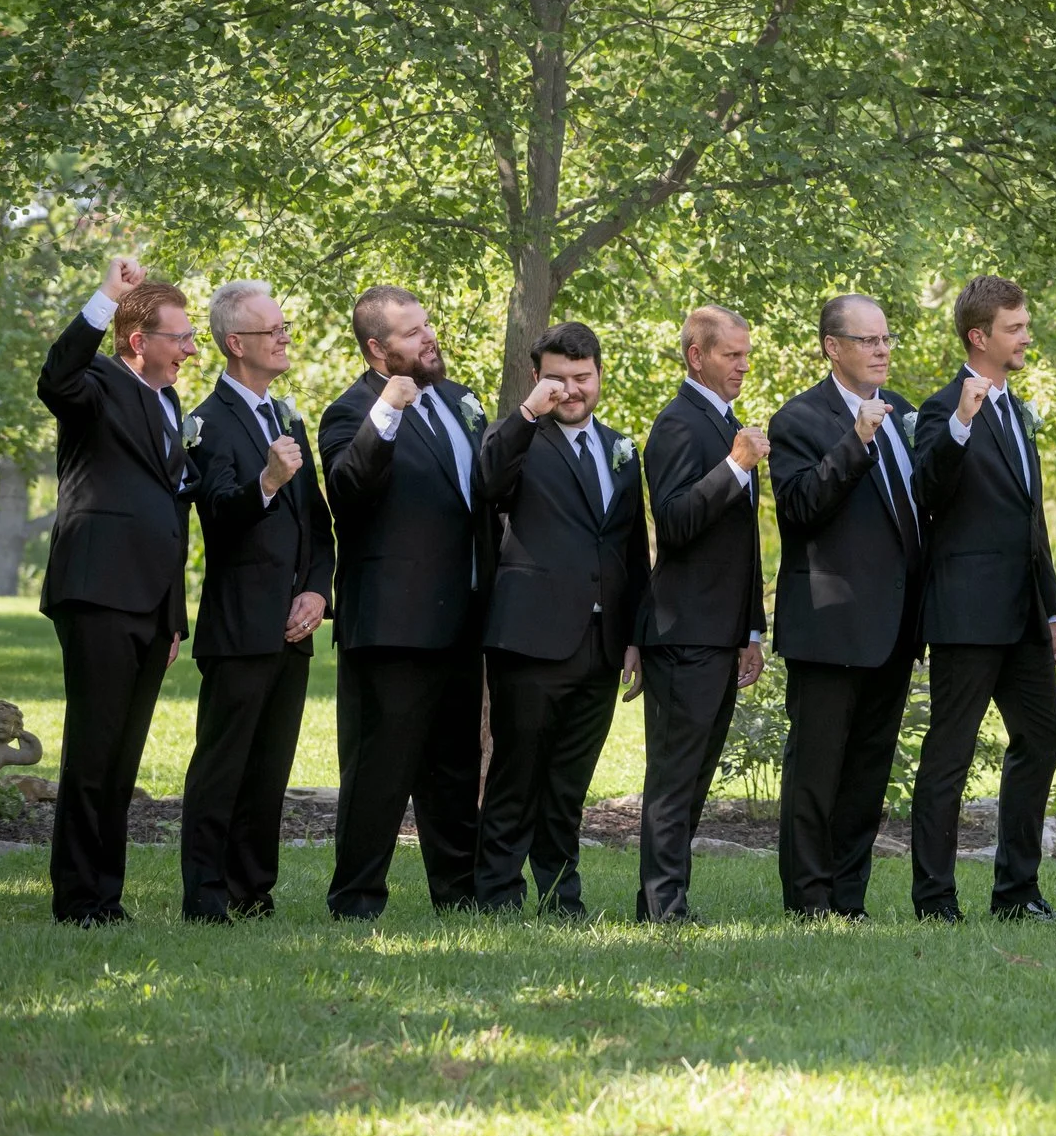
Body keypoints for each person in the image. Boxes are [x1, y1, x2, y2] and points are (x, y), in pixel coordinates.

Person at [319, 285, 494, 919]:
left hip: (462, 619)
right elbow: (348, 491)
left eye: (428, 326)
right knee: (379, 772)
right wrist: (387, 411)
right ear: (377, 348)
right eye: (412, 333)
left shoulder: (457, 401)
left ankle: (460, 894)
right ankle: (357, 898)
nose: (429, 339)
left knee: (452, 768)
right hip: (392, 626)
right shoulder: (350, 411)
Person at [37, 257, 197, 925]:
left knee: (124, 755)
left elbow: (172, 512)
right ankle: (78, 897)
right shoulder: (96, 382)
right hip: (98, 591)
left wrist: (174, 617)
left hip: (150, 603)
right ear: (139, 340)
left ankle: (108, 892)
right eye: (180, 336)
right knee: (94, 748)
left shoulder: (171, 404)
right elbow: (56, 374)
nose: (192, 348)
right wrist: (108, 294)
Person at [472, 322, 649, 918]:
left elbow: (630, 551)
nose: (572, 391)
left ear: (600, 374)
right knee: (517, 773)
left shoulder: (623, 450)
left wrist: (633, 638)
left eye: (583, 377)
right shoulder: (516, 436)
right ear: (537, 377)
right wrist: (528, 412)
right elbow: (486, 483)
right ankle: (496, 892)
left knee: (569, 782)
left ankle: (559, 895)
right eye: (558, 379)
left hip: (601, 643)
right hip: (530, 637)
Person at [908, 276, 1056, 922]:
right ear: (980, 336)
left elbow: (1031, 521)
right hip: (967, 612)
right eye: (1015, 327)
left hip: (1024, 613)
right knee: (949, 753)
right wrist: (961, 422)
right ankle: (934, 897)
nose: (1026, 335)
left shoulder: (1017, 408)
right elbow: (927, 487)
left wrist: (1053, 610)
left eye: (1025, 324)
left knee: (1043, 736)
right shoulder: (942, 409)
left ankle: (1016, 890)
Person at [181, 280, 333, 922]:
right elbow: (217, 512)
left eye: (284, 325)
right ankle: (206, 896)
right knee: (223, 767)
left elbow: (319, 525)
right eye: (272, 328)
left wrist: (318, 593)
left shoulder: (287, 415)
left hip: (293, 626)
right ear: (235, 343)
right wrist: (266, 480)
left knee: (270, 769)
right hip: (240, 624)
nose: (285, 335)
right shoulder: (205, 421)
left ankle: (253, 891)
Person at [768, 293, 925, 920]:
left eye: (886, 339)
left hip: (893, 626)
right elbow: (800, 508)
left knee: (866, 774)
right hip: (829, 626)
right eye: (868, 340)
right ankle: (809, 901)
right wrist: (856, 441)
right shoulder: (799, 419)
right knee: (815, 774)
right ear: (834, 347)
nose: (883, 350)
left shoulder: (905, 413)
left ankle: (849, 898)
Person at [635, 306, 770, 924]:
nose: (742, 365)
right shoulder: (678, 425)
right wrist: (737, 466)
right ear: (696, 356)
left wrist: (751, 630)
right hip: (682, 630)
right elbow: (677, 523)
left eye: (745, 354)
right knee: (674, 775)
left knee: (695, 777)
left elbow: (741, 544)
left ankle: (664, 899)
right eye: (730, 355)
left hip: (720, 633)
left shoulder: (727, 423)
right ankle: (662, 906)